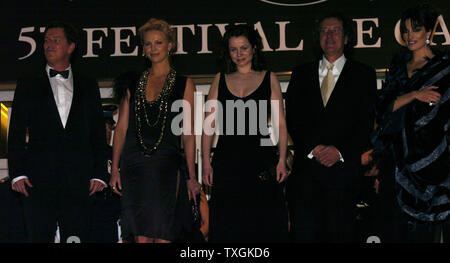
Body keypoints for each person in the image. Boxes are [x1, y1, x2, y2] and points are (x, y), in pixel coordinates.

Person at [8, 21, 108, 243]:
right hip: (37, 181)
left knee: (77, 238)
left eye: (56, 40)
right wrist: (17, 172)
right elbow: (15, 131)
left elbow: (98, 134)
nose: (49, 45)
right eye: (46, 41)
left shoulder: (88, 84)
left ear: (71, 47)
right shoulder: (28, 83)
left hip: (79, 182)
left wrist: (100, 172)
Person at [285, 12, 377, 242]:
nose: (330, 35)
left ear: (346, 38)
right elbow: (293, 118)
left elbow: (366, 122)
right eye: (325, 31)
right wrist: (313, 147)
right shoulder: (300, 73)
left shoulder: (364, 74)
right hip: (306, 176)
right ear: (318, 39)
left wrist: (339, 151)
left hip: (343, 177)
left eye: (335, 30)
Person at [109, 18, 201, 243]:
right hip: (134, 165)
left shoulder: (183, 83)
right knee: (141, 236)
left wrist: (191, 176)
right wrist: (114, 170)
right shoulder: (133, 83)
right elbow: (121, 128)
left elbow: (188, 134)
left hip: (166, 165)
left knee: (164, 235)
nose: (153, 49)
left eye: (158, 43)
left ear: (170, 45)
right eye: (148, 44)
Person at [202, 24, 289, 243]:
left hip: (260, 160)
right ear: (227, 52)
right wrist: (205, 162)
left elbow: (280, 124)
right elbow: (208, 125)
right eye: (233, 49)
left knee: (263, 224)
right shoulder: (219, 79)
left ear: (254, 48)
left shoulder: (269, 78)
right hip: (227, 161)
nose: (239, 54)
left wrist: (281, 161)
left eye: (244, 48)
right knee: (228, 225)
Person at [371, 3, 449, 243]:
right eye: (405, 31)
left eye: (415, 29)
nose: (409, 36)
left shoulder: (443, 68)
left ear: (428, 31)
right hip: (393, 163)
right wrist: (415, 95)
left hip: (429, 165)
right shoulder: (397, 67)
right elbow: (383, 109)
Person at [89, 106, 121, 243]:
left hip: (111, 210)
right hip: (91, 209)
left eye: (110, 128)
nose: (108, 132)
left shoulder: (116, 154)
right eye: (104, 128)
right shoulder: (86, 154)